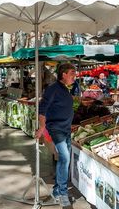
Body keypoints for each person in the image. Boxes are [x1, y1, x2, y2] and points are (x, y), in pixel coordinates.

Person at [36, 63, 76, 207]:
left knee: (63, 160)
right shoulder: (52, 89)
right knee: (64, 158)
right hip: (57, 130)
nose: (74, 76)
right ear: (63, 74)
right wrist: (41, 127)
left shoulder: (66, 89)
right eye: (72, 73)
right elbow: (42, 109)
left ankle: (58, 190)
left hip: (66, 130)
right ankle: (63, 193)